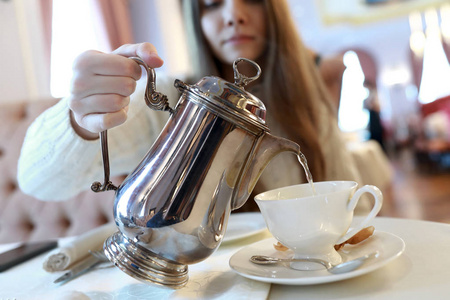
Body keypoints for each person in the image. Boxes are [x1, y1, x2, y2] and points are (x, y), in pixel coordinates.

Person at [18, 0, 370, 213]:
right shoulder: (173, 100)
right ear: (195, 20)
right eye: (212, 3)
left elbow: (355, 202)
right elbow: (38, 183)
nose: (234, 15)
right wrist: (80, 119)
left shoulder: (306, 98)